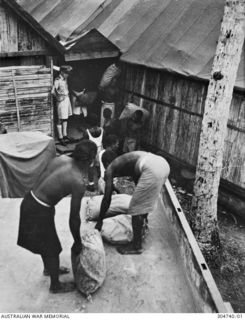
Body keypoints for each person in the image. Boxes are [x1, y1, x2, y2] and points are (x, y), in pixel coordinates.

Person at [17, 140, 97, 293]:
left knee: (45, 243)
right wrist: (77, 241)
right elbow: (74, 218)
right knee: (53, 249)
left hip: (30, 200)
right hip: (39, 210)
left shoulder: (61, 159)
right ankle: (55, 286)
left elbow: (48, 181)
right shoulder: (78, 181)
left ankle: (49, 268)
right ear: (90, 160)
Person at [95, 151, 170, 254]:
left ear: (107, 163)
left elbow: (107, 198)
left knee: (135, 208)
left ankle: (136, 246)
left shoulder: (110, 168)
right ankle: (143, 224)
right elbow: (138, 182)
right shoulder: (126, 160)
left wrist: (100, 221)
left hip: (151, 169)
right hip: (162, 164)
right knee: (141, 202)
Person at [52, 65, 73, 146]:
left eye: (68, 73)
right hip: (61, 101)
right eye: (66, 73)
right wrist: (58, 98)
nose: (67, 75)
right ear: (62, 72)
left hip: (66, 100)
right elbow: (53, 91)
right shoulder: (57, 80)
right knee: (60, 119)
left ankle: (65, 135)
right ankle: (60, 137)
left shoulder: (65, 79)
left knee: (65, 118)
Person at [83, 113, 104, 192]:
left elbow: (85, 143)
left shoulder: (87, 132)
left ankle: (91, 185)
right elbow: (103, 142)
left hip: (91, 151)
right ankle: (99, 184)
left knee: (90, 168)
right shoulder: (102, 130)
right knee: (99, 168)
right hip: (100, 150)